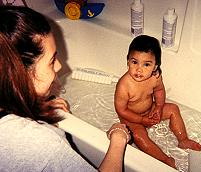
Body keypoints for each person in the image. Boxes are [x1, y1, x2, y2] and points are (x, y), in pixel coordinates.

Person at [0, 6, 130, 172]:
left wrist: (35, 110)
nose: (60, 65)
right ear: (18, 74)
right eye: (52, 60)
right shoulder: (40, 145)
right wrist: (118, 139)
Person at [114, 35, 201, 169]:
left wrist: (159, 107)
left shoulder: (155, 77)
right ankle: (164, 160)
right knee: (139, 137)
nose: (139, 69)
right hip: (131, 119)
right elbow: (121, 110)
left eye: (146, 64)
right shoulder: (124, 85)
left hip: (150, 111)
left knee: (173, 109)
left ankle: (183, 140)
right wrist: (141, 120)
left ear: (155, 66)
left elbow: (159, 91)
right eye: (134, 62)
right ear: (127, 61)